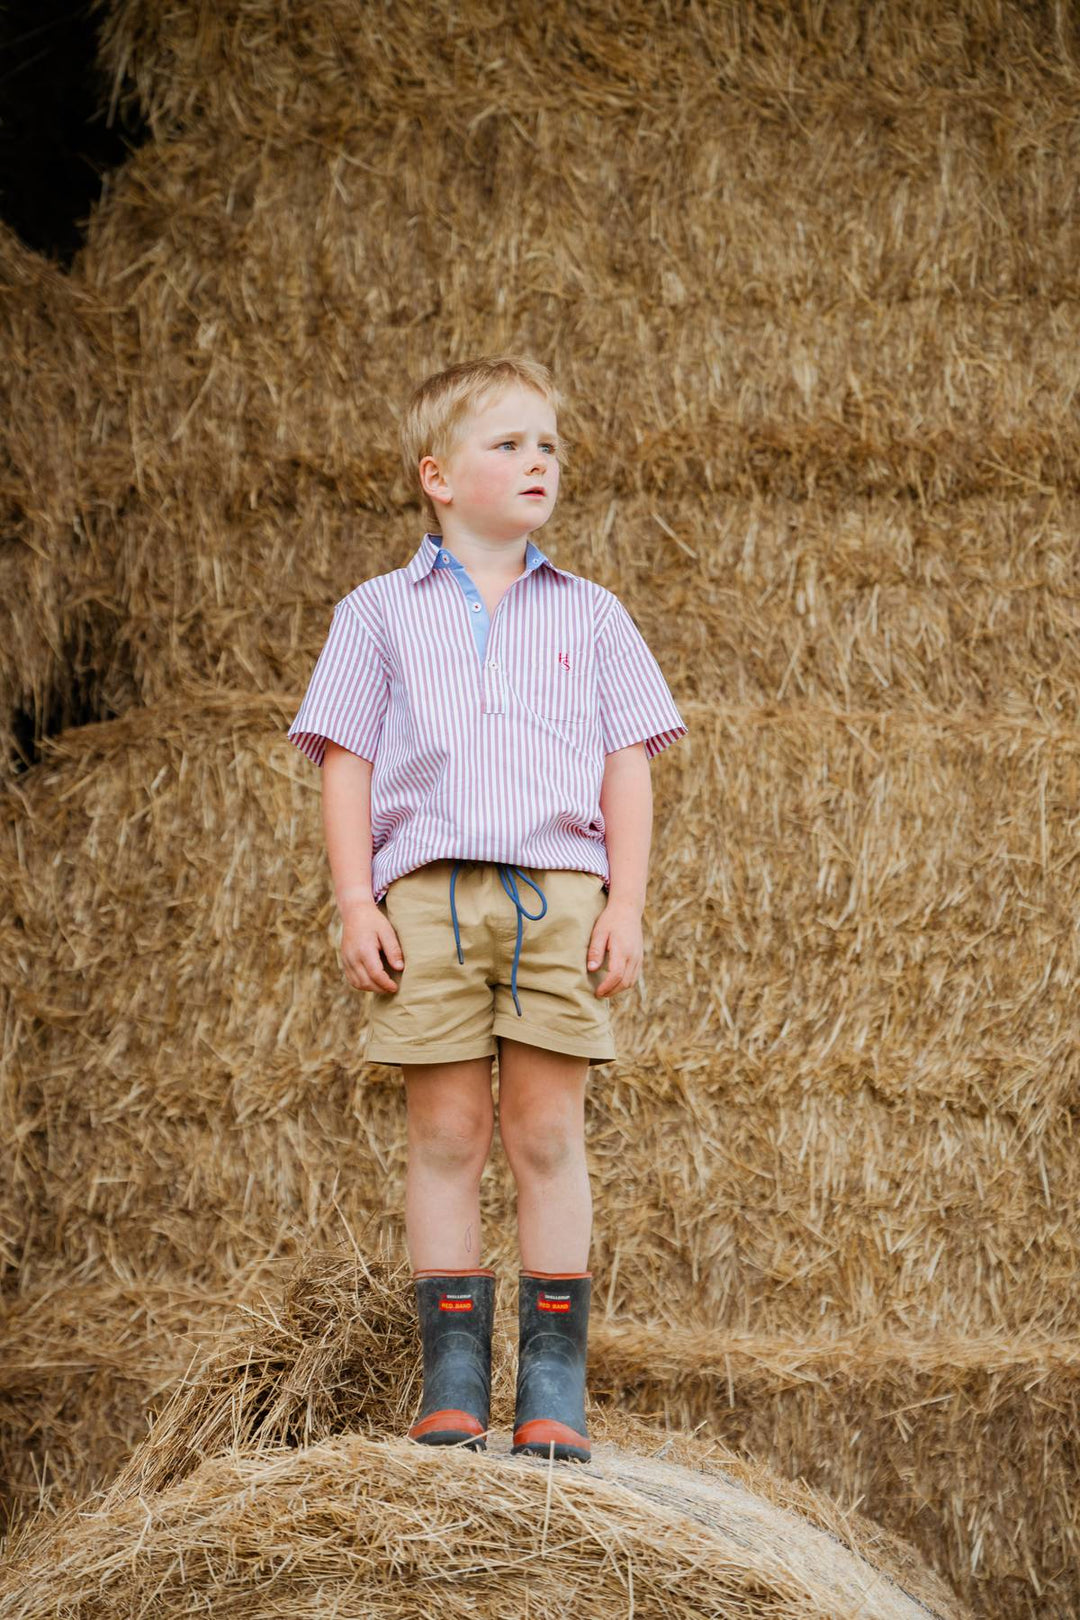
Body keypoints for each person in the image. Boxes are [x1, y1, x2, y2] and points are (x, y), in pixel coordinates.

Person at [287, 354, 687, 1462]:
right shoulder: (376, 614)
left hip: (559, 897)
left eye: (549, 445)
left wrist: (628, 905)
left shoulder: (594, 615)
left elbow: (630, 764)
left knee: (546, 1133)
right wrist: (354, 899)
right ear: (437, 477)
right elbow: (345, 762)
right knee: (447, 1134)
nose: (537, 462)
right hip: (428, 904)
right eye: (506, 444)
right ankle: (453, 1378)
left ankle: (553, 1381)